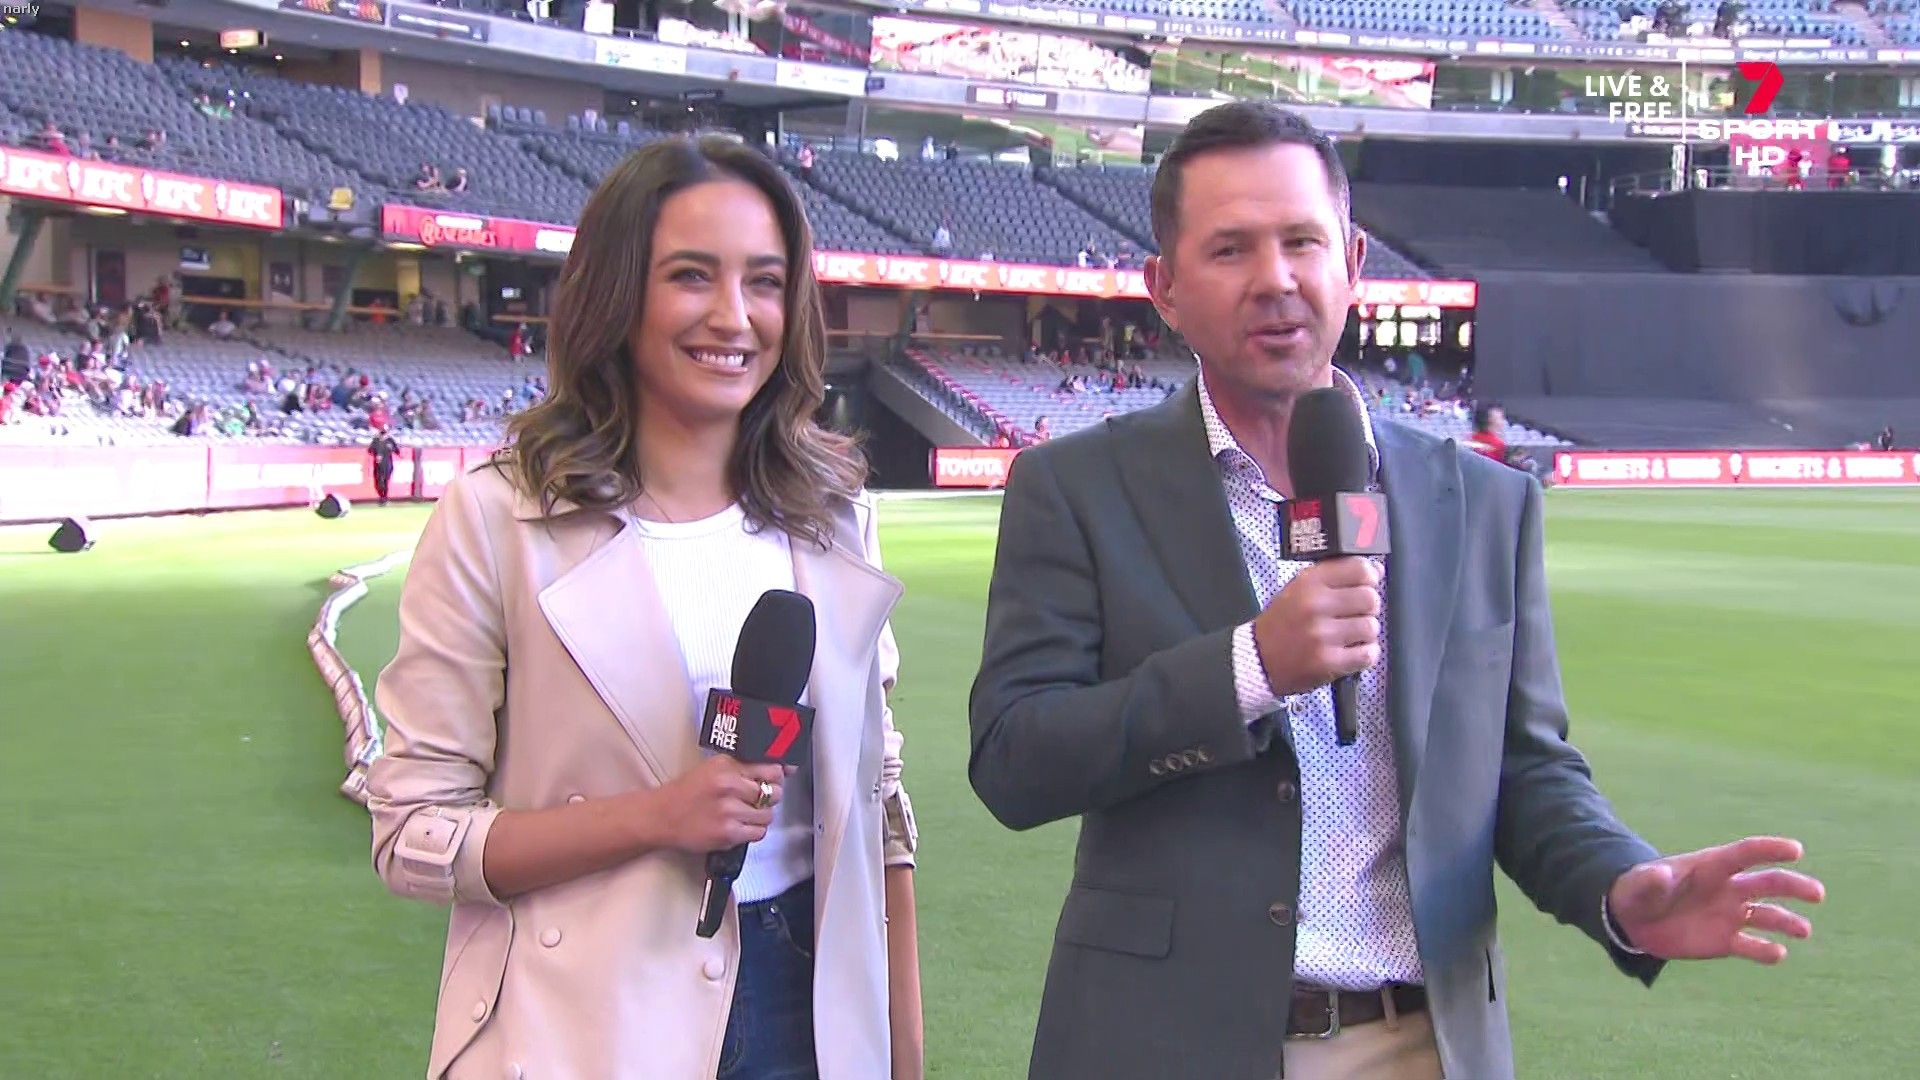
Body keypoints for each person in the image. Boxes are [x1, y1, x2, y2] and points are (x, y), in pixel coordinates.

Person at [967, 102, 1824, 1080]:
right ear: (1163, 287)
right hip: (1165, 1043)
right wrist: (1249, 667)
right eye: (1231, 249)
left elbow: (1526, 771)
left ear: (1353, 261)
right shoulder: (1076, 488)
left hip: (1423, 1043)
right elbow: (1015, 761)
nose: (1276, 278)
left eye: (1302, 241)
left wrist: (1621, 885)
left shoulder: (1486, 505)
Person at [366, 135, 924, 1080]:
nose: (734, 316)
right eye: (691, 276)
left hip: (810, 1008)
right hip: (585, 1019)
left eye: (764, 281)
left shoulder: (834, 514)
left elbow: (881, 798)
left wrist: (900, 1045)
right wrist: (659, 817)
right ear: (617, 295)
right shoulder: (496, 519)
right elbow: (413, 837)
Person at [368, 428, 401, 505]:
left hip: (387, 464)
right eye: (382, 433)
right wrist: (376, 455)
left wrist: (396, 451)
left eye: (384, 433)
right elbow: (370, 450)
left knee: (385, 481)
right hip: (378, 465)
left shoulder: (390, 440)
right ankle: (382, 497)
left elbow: (397, 450)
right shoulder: (376, 441)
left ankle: (384, 498)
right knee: (379, 482)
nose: (383, 435)